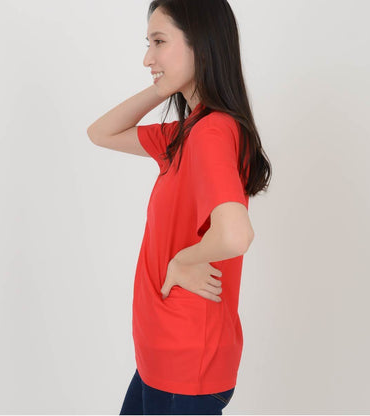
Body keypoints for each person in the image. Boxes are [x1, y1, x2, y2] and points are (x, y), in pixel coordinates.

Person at [87, 0, 272, 414]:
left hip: (186, 366)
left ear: (200, 44)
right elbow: (101, 132)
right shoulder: (184, 134)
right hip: (160, 358)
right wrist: (162, 85)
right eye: (148, 44)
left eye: (159, 42)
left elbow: (236, 234)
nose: (147, 58)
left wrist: (183, 260)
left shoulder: (211, 132)